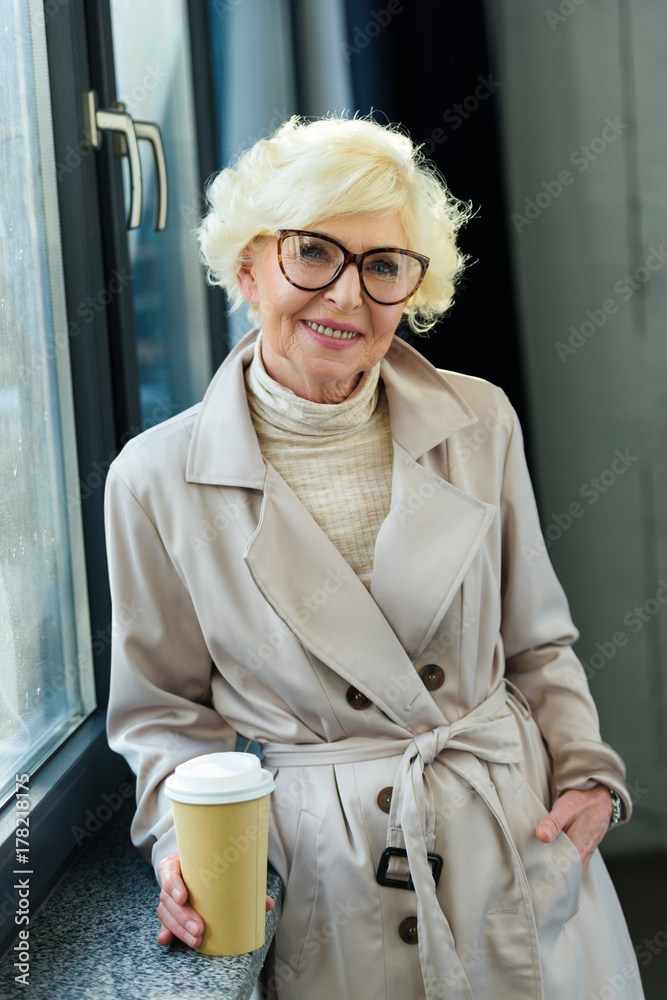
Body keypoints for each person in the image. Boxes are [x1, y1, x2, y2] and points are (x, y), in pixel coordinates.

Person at [105, 116, 644, 1000]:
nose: (346, 298)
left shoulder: (480, 420)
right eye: (312, 253)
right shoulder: (153, 477)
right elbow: (164, 718)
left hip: (511, 843)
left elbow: (538, 645)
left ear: (411, 290)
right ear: (246, 268)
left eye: (383, 266)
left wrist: (588, 779)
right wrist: (186, 851)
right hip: (324, 876)